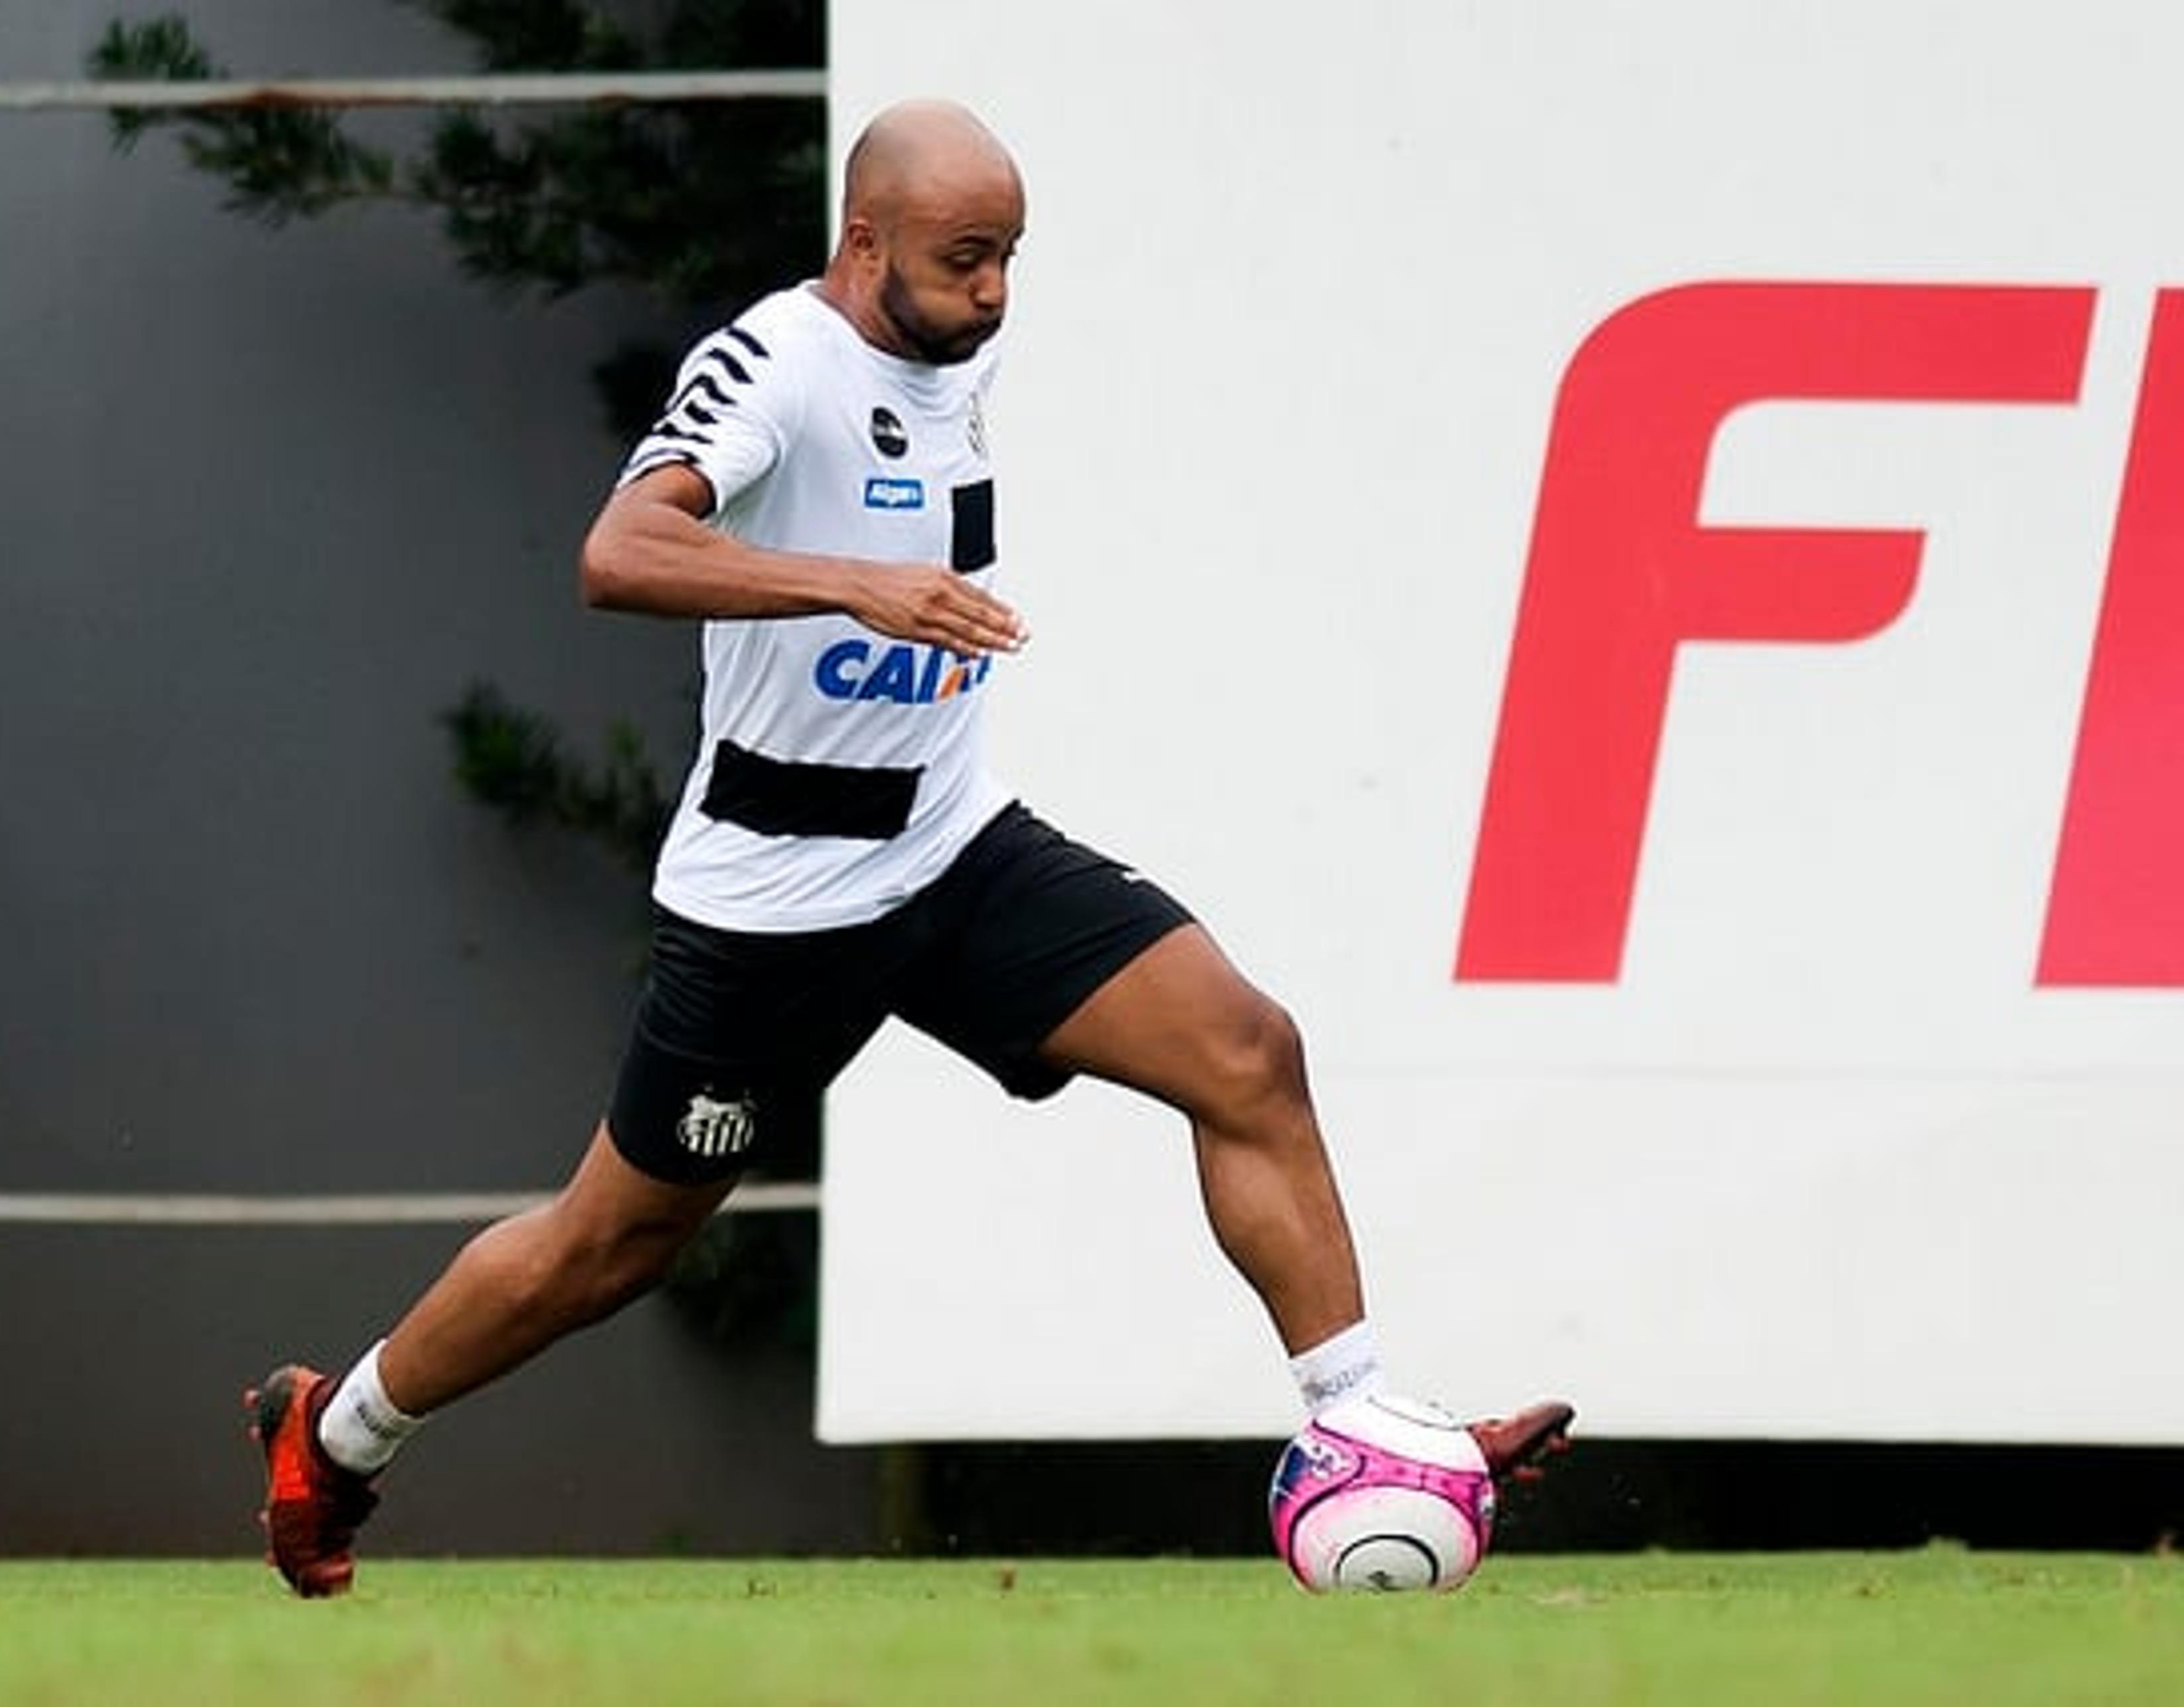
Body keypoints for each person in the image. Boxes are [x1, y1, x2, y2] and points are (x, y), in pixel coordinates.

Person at [246, 99, 1572, 1597]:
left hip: (953, 850)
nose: (993, 293)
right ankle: (336, 1433)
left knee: (1248, 1050)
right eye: (962, 259)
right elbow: (618, 552)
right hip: (775, 904)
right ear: (862, 239)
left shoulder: (954, 345)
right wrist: (850, 585)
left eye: (1008, 258)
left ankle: (1363, 1425)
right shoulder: (773, 364)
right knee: (606, 1248)